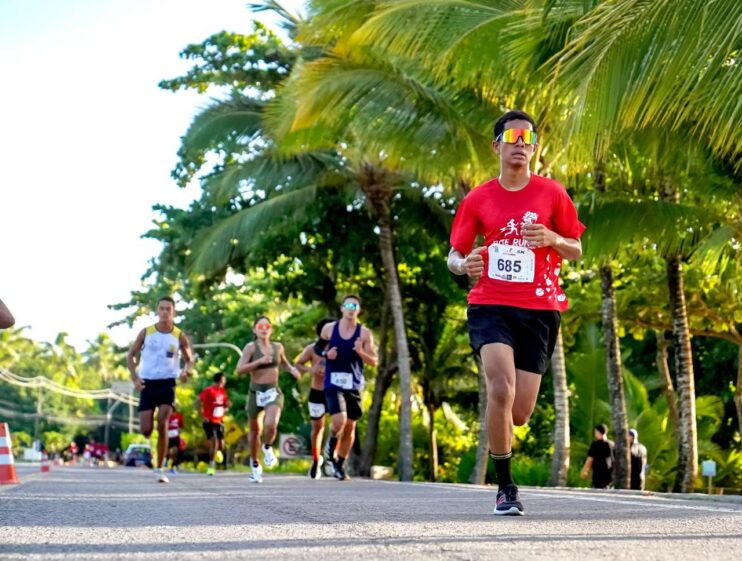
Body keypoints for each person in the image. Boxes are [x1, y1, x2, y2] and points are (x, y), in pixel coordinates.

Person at [447, 110, 585, 516]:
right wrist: (462, 265)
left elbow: (576, 248)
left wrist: (553, 237)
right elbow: (455, 254)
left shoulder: (552, 194)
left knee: (520, 411)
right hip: (490, 304)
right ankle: (506, 487)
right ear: (497, 146)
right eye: (513, 137)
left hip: (540, 308)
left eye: (528, 138)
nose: (521, 144)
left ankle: (504, 455)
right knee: (500, 389)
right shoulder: (479, 198)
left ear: (535, 147)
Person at [127, 296, 194, 483]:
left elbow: (189, 360)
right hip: (147, 383)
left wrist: (185, 372)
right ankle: (152, 443)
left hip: (167, 383)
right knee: (146, 430)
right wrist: (135, 378)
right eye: (162, 308)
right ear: (157, 311)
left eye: (168, 309)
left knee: (163, 422)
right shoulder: (146, 332)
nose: (165, 312)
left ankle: (159, 467)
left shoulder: (179, 335)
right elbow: (131, 355)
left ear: (173, 312)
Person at [318, 295, 378, 481]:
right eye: (348, 305)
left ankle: (339, 463)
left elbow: (374, 361)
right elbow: (317, 348)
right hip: (333, 383)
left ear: (358, 310)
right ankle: (332, 442)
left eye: (355, 306)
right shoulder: (329, 329)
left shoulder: (365, 334)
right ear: (342, 308)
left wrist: (360, 351)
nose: (351, 308)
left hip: (353, 384)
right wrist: (327, 354)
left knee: (350, 426)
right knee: (339, 421)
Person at [236, 316, 300, 483]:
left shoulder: (278, 347)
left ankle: (267, 446)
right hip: (255, 392)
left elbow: (284, 363)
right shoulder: (250, 348)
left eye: (267, 326)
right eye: (260, 326)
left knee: (271, 424)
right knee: (255, 431)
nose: (264, 329)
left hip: (273, 391)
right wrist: (258, 362)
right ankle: (255, 465)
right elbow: (240, 369)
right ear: (255, 330)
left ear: (271, 329)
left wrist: (292, 370)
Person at [294, 318, 335, 479]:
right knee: (317, 428)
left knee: (337, 427)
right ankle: (316, 460)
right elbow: (298, 365)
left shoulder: (339, 349)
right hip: (317, 392)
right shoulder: (312, 349)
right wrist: (312, 370)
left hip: (335, 392)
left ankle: (332, 458)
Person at [198, 372, 229, 476]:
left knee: (221, 445)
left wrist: (226, 407)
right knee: (214, 441)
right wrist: (202, 416)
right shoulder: (209, 390)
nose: (225, 382)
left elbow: (225, 404)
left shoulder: (223, 392)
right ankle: (211, 466)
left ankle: (215, 454)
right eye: (223, 380)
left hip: (219, 421)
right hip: (209, 421)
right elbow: (198, 401)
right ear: (220, 380)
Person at [581, 423, 615, 489]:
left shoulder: (595, 445)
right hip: (610, 474)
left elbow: (590, 459)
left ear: (598, 432)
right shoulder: (612, 444)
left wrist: (585, 470)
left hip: (598, 475)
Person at [165, 405, 184, 474]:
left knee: (175, 452)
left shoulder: (179, 416)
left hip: (175, 436)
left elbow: (182, 426)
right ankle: (166, 460)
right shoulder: (166, 416)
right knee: (167, 452)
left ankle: (173, 467)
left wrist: (180, 430)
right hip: (167, 436)